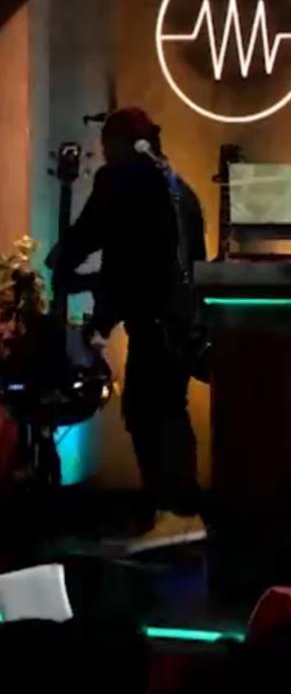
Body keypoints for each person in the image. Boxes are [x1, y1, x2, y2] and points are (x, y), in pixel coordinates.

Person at [50, 108, 206, 551]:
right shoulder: (178, 187)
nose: (102, 154)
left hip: (154, 321)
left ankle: (172, 512)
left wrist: (62, 263)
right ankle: (182, 513)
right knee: (168, 409)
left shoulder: (123, 180)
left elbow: (101, 244)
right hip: (181, 324)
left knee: (147, 411)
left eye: (105, 145)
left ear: (119, 143)